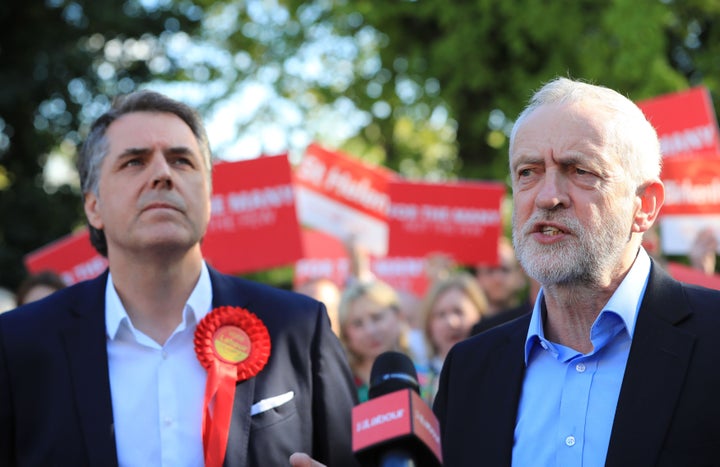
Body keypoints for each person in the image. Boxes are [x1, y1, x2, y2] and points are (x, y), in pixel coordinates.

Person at [0, 90, 358, 467]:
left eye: (181, 160)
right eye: (135, 162)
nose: (162, 175)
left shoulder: (299, 329)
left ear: (208, 196)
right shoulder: (18, 346)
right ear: (94, 206)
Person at [433, 77, 720, 467]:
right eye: (528, 172)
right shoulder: (470, 368)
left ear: (645, 205)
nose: (548, 196)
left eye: (581, 171)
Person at [337, 279, 419, 402]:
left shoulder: (430, 380)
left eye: (377, 317)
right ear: (346, 334)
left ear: (398, 316)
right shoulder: (339, 387)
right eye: (358, 324)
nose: (370, 331)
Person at [420, 272, 487, 403]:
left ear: (479, 314)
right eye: (441, 315)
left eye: (458, 311)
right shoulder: (418, 381)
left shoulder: (496, 371)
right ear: (429, 325)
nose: (451, 322)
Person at [471, 236, 533, 334]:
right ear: (477, 278)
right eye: (490, 270)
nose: (498, 279)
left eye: (505, 270)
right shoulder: (466, 328)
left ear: (520, 276)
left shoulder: (537, 323)